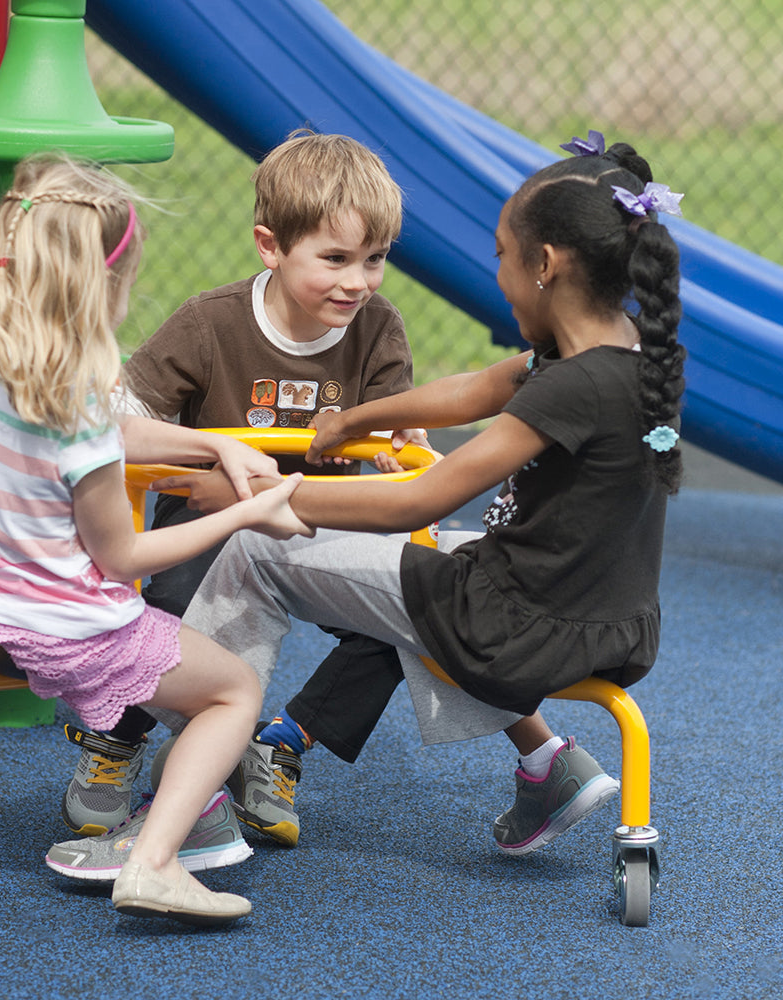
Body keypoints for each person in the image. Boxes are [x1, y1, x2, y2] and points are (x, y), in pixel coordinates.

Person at [139, 134, 685, 856]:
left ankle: (196, 791)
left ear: (546, 266)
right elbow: (477, 389)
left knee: (252, 550)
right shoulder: (623, 350)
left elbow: (416, 498)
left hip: (513, 622)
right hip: (611, 621)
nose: (497, 273)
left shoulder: (574, 387)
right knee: (409, 568)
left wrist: (261, 497)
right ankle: (547, 762)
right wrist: (358, 419)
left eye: (501, 255)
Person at [0, 153, 313, 926]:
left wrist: (212, 445)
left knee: (10, 646)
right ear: (106, 285)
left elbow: (113, 426)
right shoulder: (78, 409)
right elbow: (122, 559)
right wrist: (244, 513)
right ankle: (154, 864)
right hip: (68, 631)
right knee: (233, 691)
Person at [51, 130, 426, 852]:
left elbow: (393, 427)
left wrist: (397, 449)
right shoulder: (210, 322)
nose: (358, 282)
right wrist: (193, 465)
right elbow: (126, 415)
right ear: (271, 246)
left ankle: (280, 744)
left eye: (375, 260)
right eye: (336, 259)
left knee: (405, 615)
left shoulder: (378, 329)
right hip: (212, 519)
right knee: (165, 611)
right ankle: (119, 739)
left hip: (315, 523)